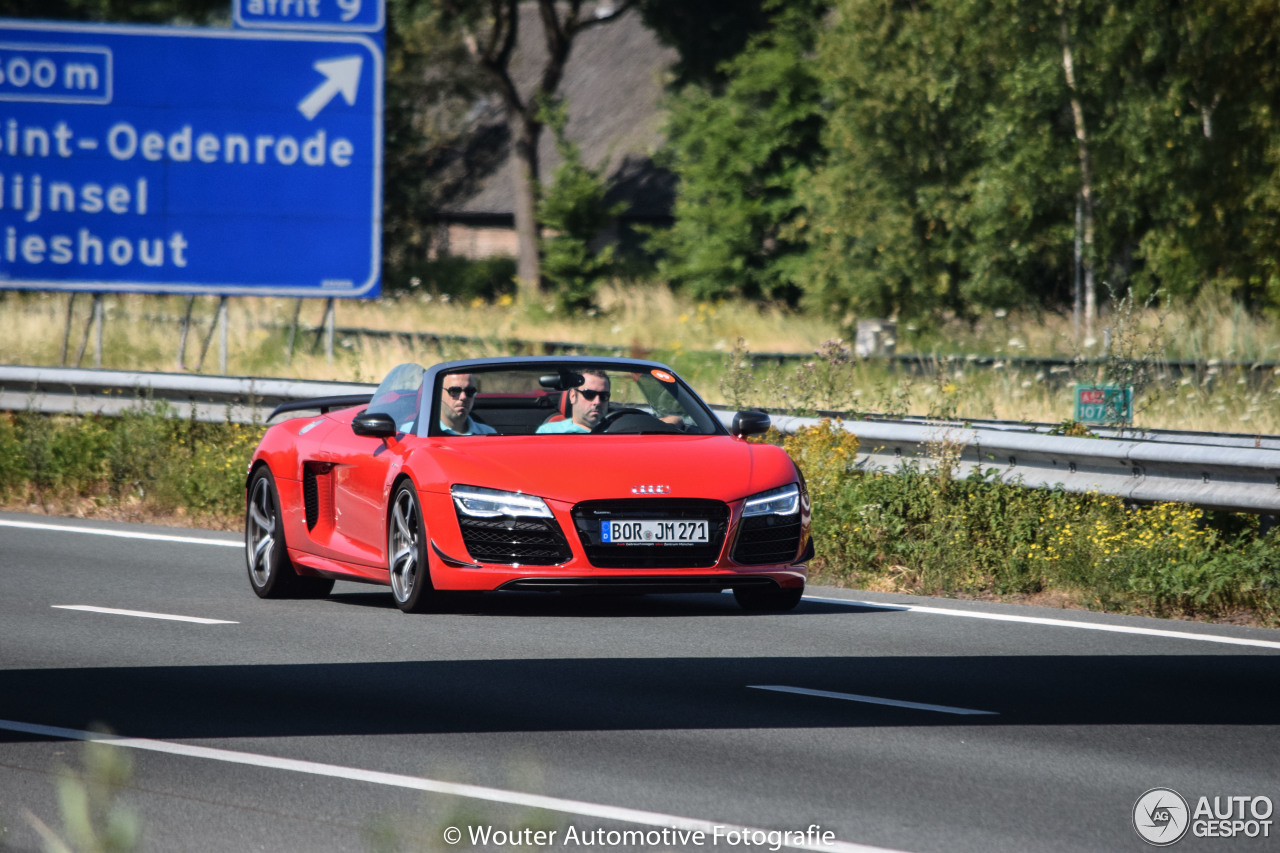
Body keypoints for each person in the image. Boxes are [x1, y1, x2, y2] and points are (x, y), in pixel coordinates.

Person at [536, 370, 610, 434]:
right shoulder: (549, 432)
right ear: (573, 396)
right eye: (589, 394)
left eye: (604, 396)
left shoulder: (618, 431)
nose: (597, 402)